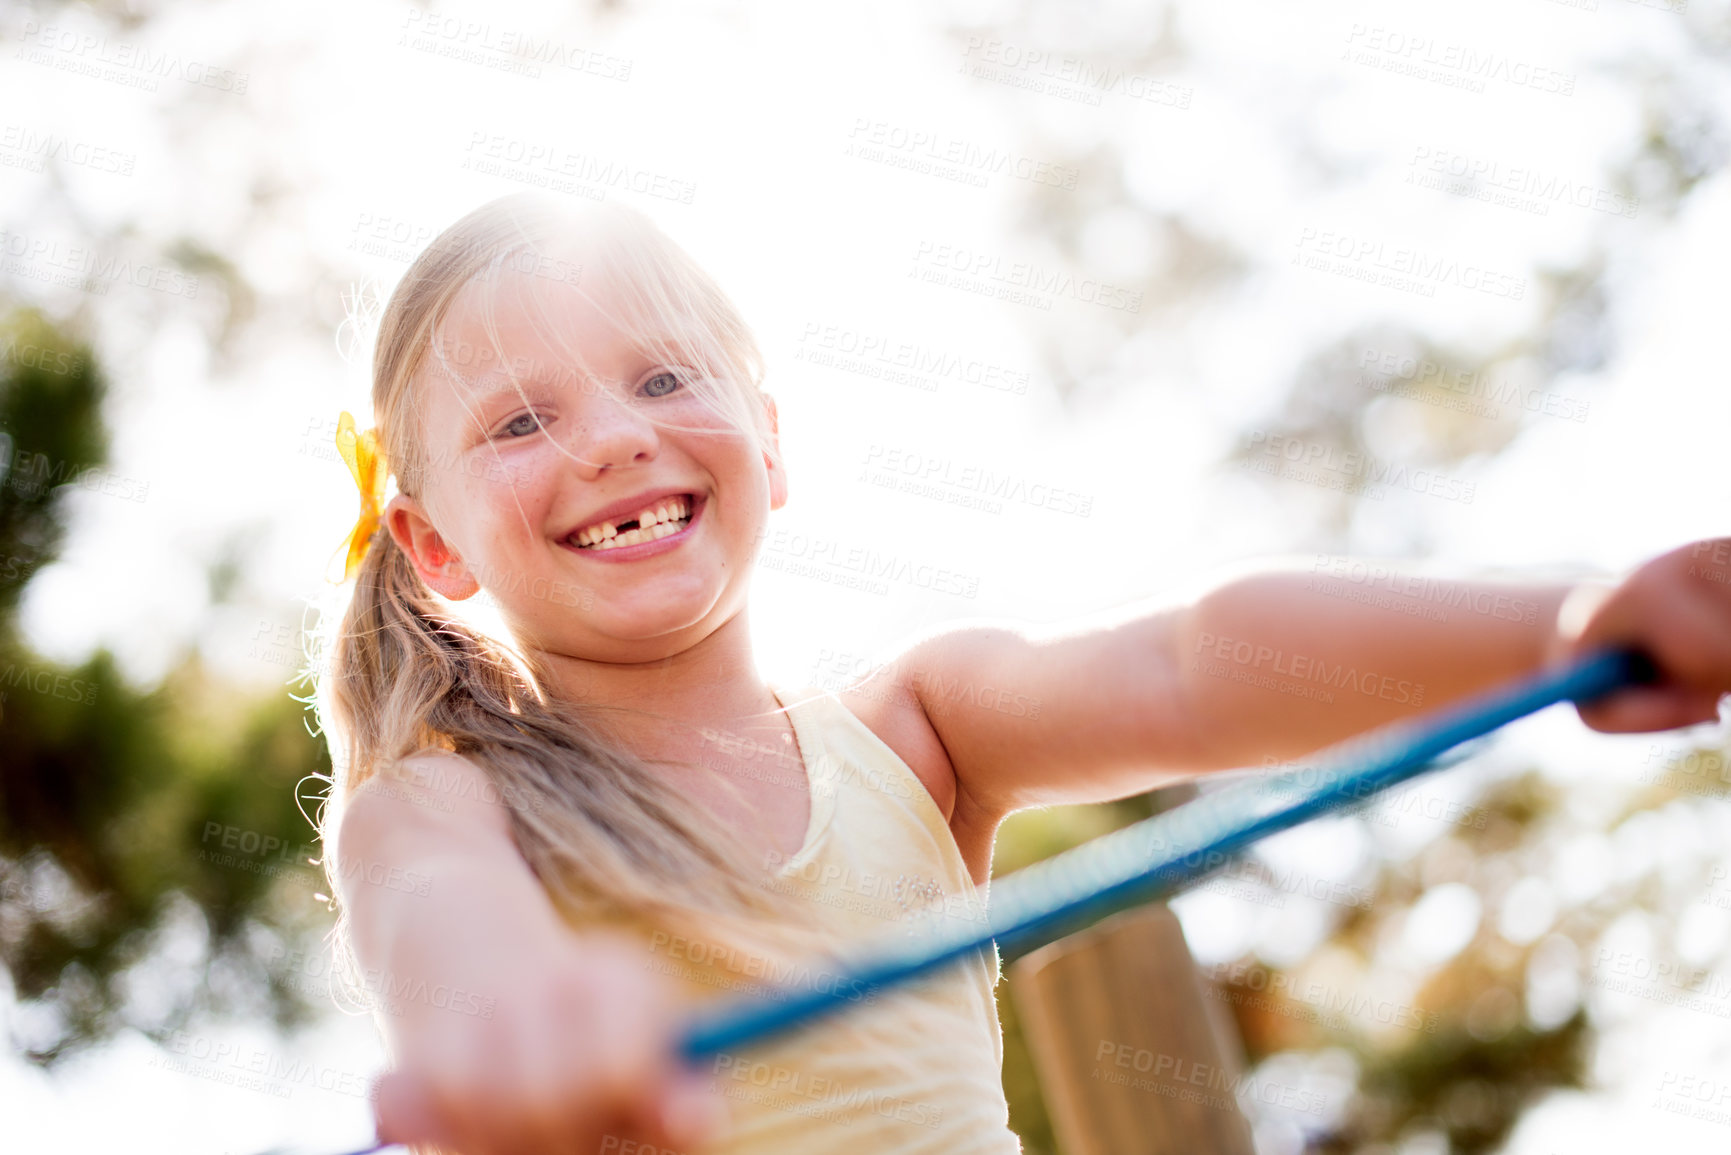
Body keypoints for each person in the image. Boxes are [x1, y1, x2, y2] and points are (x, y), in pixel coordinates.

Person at [310, 191, 1731, 1155]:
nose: (615, 439)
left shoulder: (918, 733)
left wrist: (1561, 627)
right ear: (432, 545)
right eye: (520, 420)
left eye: (667, 379)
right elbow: (438, 923)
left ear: (774, 440)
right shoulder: (447, 803)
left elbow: (1195, 666)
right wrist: (506, 1030)